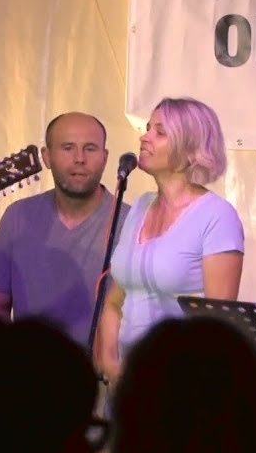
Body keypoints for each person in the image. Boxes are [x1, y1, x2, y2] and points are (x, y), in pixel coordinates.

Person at [92, 97, 245, 384]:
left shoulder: (217, 216)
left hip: (179, 383)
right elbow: (114, 302)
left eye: (159, 132)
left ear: (191, 150)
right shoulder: (140, 206)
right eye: (148, 128)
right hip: (125, 382)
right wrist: (111, 364)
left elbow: (217, 325)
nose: (144, 137)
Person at [0, 112, 130, 349]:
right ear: (46, 157)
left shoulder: (131, 222)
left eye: (90, 149)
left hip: (102, 369)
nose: (79, 159)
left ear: (105, 157)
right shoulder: (18, 216)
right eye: (68, 148)